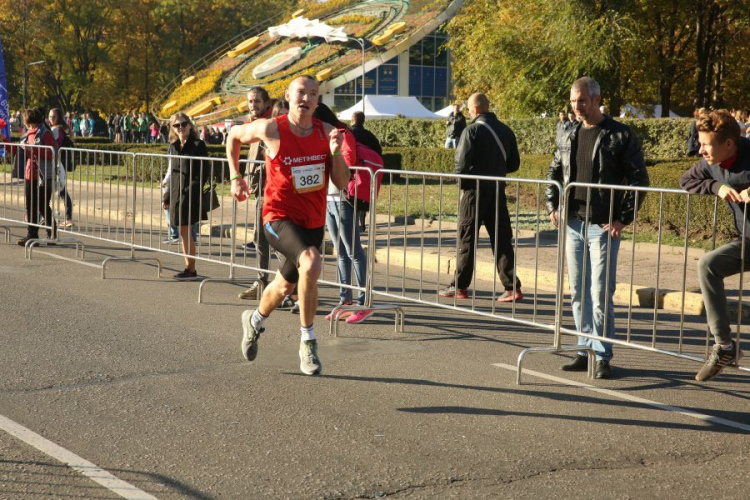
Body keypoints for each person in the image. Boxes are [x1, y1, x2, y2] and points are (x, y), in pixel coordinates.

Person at [226, 75, 350, 376]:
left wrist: (335, 152)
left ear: (318, 100)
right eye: (300, 93)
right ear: (288, 96)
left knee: (283, 285)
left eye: (312, 94)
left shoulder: (329, 132)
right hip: (277, 217)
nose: (306, 99)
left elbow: (342, 182)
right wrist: (235, 176)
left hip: (312, 221)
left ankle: (254, 320)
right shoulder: (272, 128)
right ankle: (308, 341)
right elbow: (233, 136)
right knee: (311, 261)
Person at [546, 77, 649, 379]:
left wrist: (623, 218)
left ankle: (602, 354)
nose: (577, 106)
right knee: (578, 291)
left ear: (596, 99)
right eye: (573, 101)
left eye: (582, 101)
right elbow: (554, 169)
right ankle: (584, 349)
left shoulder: (620, 135)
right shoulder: (568, 132)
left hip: (602, 227)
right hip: (574, 223)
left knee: (600, 292)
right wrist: (553, 205)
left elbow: (639, 180)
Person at [679, 109, 747, 382]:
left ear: (729, 144)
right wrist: (715, 187)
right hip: (748, 241)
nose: (700, 150)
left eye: (706, 144)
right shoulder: (710, 163)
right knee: (708, 264)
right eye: (700, 142)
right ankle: (724, 347)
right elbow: (686, 180)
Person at [440, 93, 523, 304]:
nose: (468, 113)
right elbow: (514, 164)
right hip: (497, 190)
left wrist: (464, 185)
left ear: (475, 110)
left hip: (474, 193)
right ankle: (511, 287)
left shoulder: (472, 130)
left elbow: (461, 165)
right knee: (502, 239)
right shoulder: (505, 130)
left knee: (466, 238)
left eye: (468, 110)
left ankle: (460, 286)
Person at [314, 103, 373, 324]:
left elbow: (346, 164)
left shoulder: (342, 134)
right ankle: (345, 300)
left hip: (343, 198)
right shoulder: (325, 135)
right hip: (329, 198)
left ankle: (364, 302)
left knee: (353, 250)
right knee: (340, 252)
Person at [162, 112, 210, 279]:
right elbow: (173, 173)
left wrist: (192, 189)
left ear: (190, 125)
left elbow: (204, 171)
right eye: (176, 125)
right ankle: (189, 268)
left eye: (183, 124)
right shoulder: (173, 146)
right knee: (183, 233)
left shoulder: (198, 145)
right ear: (172, 128)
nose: (180, 128)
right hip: (176, 194)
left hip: (190, 194)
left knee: (186, 232)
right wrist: (167, 196)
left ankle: (191, 269)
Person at [0, 108, 58, 245]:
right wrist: (4, 140)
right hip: (30, 175)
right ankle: (32, 235)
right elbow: (16, 151)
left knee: (43, 205)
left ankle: (52, 233)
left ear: (28, 121)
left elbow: (52, 153)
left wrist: (33, 150)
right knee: (30, 206)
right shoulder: (26, 135)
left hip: (43, 175)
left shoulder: (45, 133)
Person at [238, 87, 274, 301]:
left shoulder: (270, 125)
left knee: (278, 242)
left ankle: (290, 287)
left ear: (266, 103)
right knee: (260, 240)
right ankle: (261, 282)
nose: (253, 105)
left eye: (257, 101)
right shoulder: (253, 125)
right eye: (250, 101)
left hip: (273, 193)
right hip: (260, 192)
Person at [349, 110, 382, 232]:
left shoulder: (349, 133)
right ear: (363, 121)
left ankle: (354, 225)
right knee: (364, 195)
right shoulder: (370, 135)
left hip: (353, 171)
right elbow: (379, 153)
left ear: (352, 120)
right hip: (369, 172)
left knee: (353, 195)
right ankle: (361, 222)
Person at [47, 108, 74, 228]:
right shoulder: (63, 129)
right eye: (50, 116)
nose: (50, 119)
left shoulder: (56, 130)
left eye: (53, 117)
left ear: (58, 118)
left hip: (56, 163)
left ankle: (67, 218)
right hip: (57, 162)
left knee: (58, 190)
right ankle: (68, 217)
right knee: (60, 190)